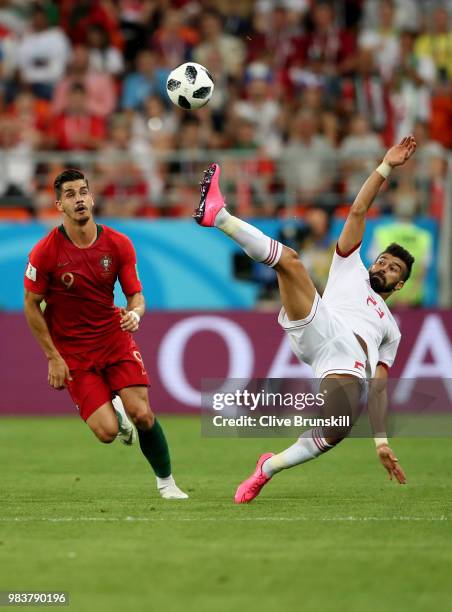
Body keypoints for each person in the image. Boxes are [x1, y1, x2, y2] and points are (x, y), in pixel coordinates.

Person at [194, 136, 417, 503]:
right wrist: (386, 166)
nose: (384, 267)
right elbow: (359, 210)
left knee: (336, 430)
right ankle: (219, 215)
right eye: (383, 261)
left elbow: (379, 387)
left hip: (347, 362)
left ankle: (267, 467)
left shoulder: (390, 329)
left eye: (393, 269)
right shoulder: (351, 267)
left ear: (401, 283)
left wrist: (381, 442)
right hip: (321, 325)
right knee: (291, 262)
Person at [24, 169, 187, 500]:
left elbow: (135, 297)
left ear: (93, 198)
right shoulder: (45, 253)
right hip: (73, 352)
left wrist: (136, 314)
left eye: (83, 192)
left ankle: (167, 483)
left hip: (113, 339)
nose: (79, 198)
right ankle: (114, 410)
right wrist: (53, 357)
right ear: (59, 205)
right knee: (107, 432)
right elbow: (31, 306)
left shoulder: (118, 244)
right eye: (70, 194)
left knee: (142, 413)